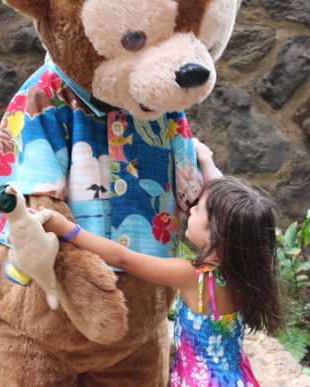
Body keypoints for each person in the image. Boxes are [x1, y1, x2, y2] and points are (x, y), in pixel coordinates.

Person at [37, 143, 286, 387]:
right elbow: (233, 211)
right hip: (234, 376)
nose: (191, 207)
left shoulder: (192, 276)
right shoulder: (245, 271)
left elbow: (124, 258)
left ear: (215, 235)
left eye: (198, 209)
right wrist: (206, 159)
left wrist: (67, 229)